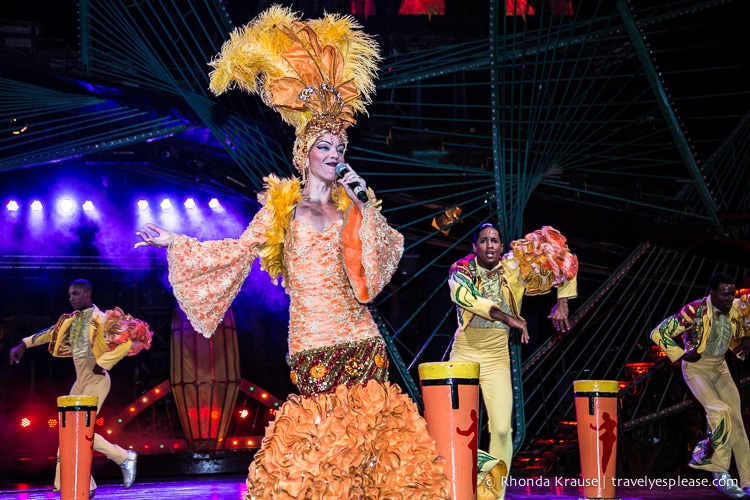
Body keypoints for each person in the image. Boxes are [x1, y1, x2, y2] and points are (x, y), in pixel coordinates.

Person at [135, 7, 450, 498]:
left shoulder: (352, 205)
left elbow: (384, 258)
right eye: (325, 146)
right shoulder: (281, 210)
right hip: (312, 337)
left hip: (360, 332)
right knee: (322, 441)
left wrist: (366, 202)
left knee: (373, 437)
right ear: (305, 152)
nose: (334, 154)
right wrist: (174, 240)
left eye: (340, 146)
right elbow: (236, 252)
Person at [447, 222, 578, 498]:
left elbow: (563, 255)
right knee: (457, 429)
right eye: (484, 240)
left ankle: (495, 492)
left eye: (495, 240)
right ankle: (462, 482)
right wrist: (509, 318)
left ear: (502, 245)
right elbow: (466, 299)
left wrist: (563, 300)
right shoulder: (461, 269)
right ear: (475, 247)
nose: (490, 245)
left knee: (503, 429)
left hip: (496, 357)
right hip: (464, 355)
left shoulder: (515, 266)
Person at [9, 279, 153, 496]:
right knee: (68, 431)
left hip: (98, 380)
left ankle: (123, 457)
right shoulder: (69, 320)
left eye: (76, 294)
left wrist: (102, 363)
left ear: (87, 295)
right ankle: (81, 482)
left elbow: (127, 341)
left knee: (79, 432)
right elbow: (50, 333)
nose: (71, 298)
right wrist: (25, 343)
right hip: (81, 382)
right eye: (69, 294)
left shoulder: (103, 319)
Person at [651, 272, 750, 499]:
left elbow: (745, 322)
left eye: (731, 294)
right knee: (719, 411)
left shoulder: (737, 307)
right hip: (697, 369)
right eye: (724, 294)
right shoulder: (693, 311)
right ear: (712, 292)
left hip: (720, 368)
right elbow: (659, 333)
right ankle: (719, 472)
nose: (729, 299)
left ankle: (748, 482)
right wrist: (683, 354)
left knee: (737, 423)